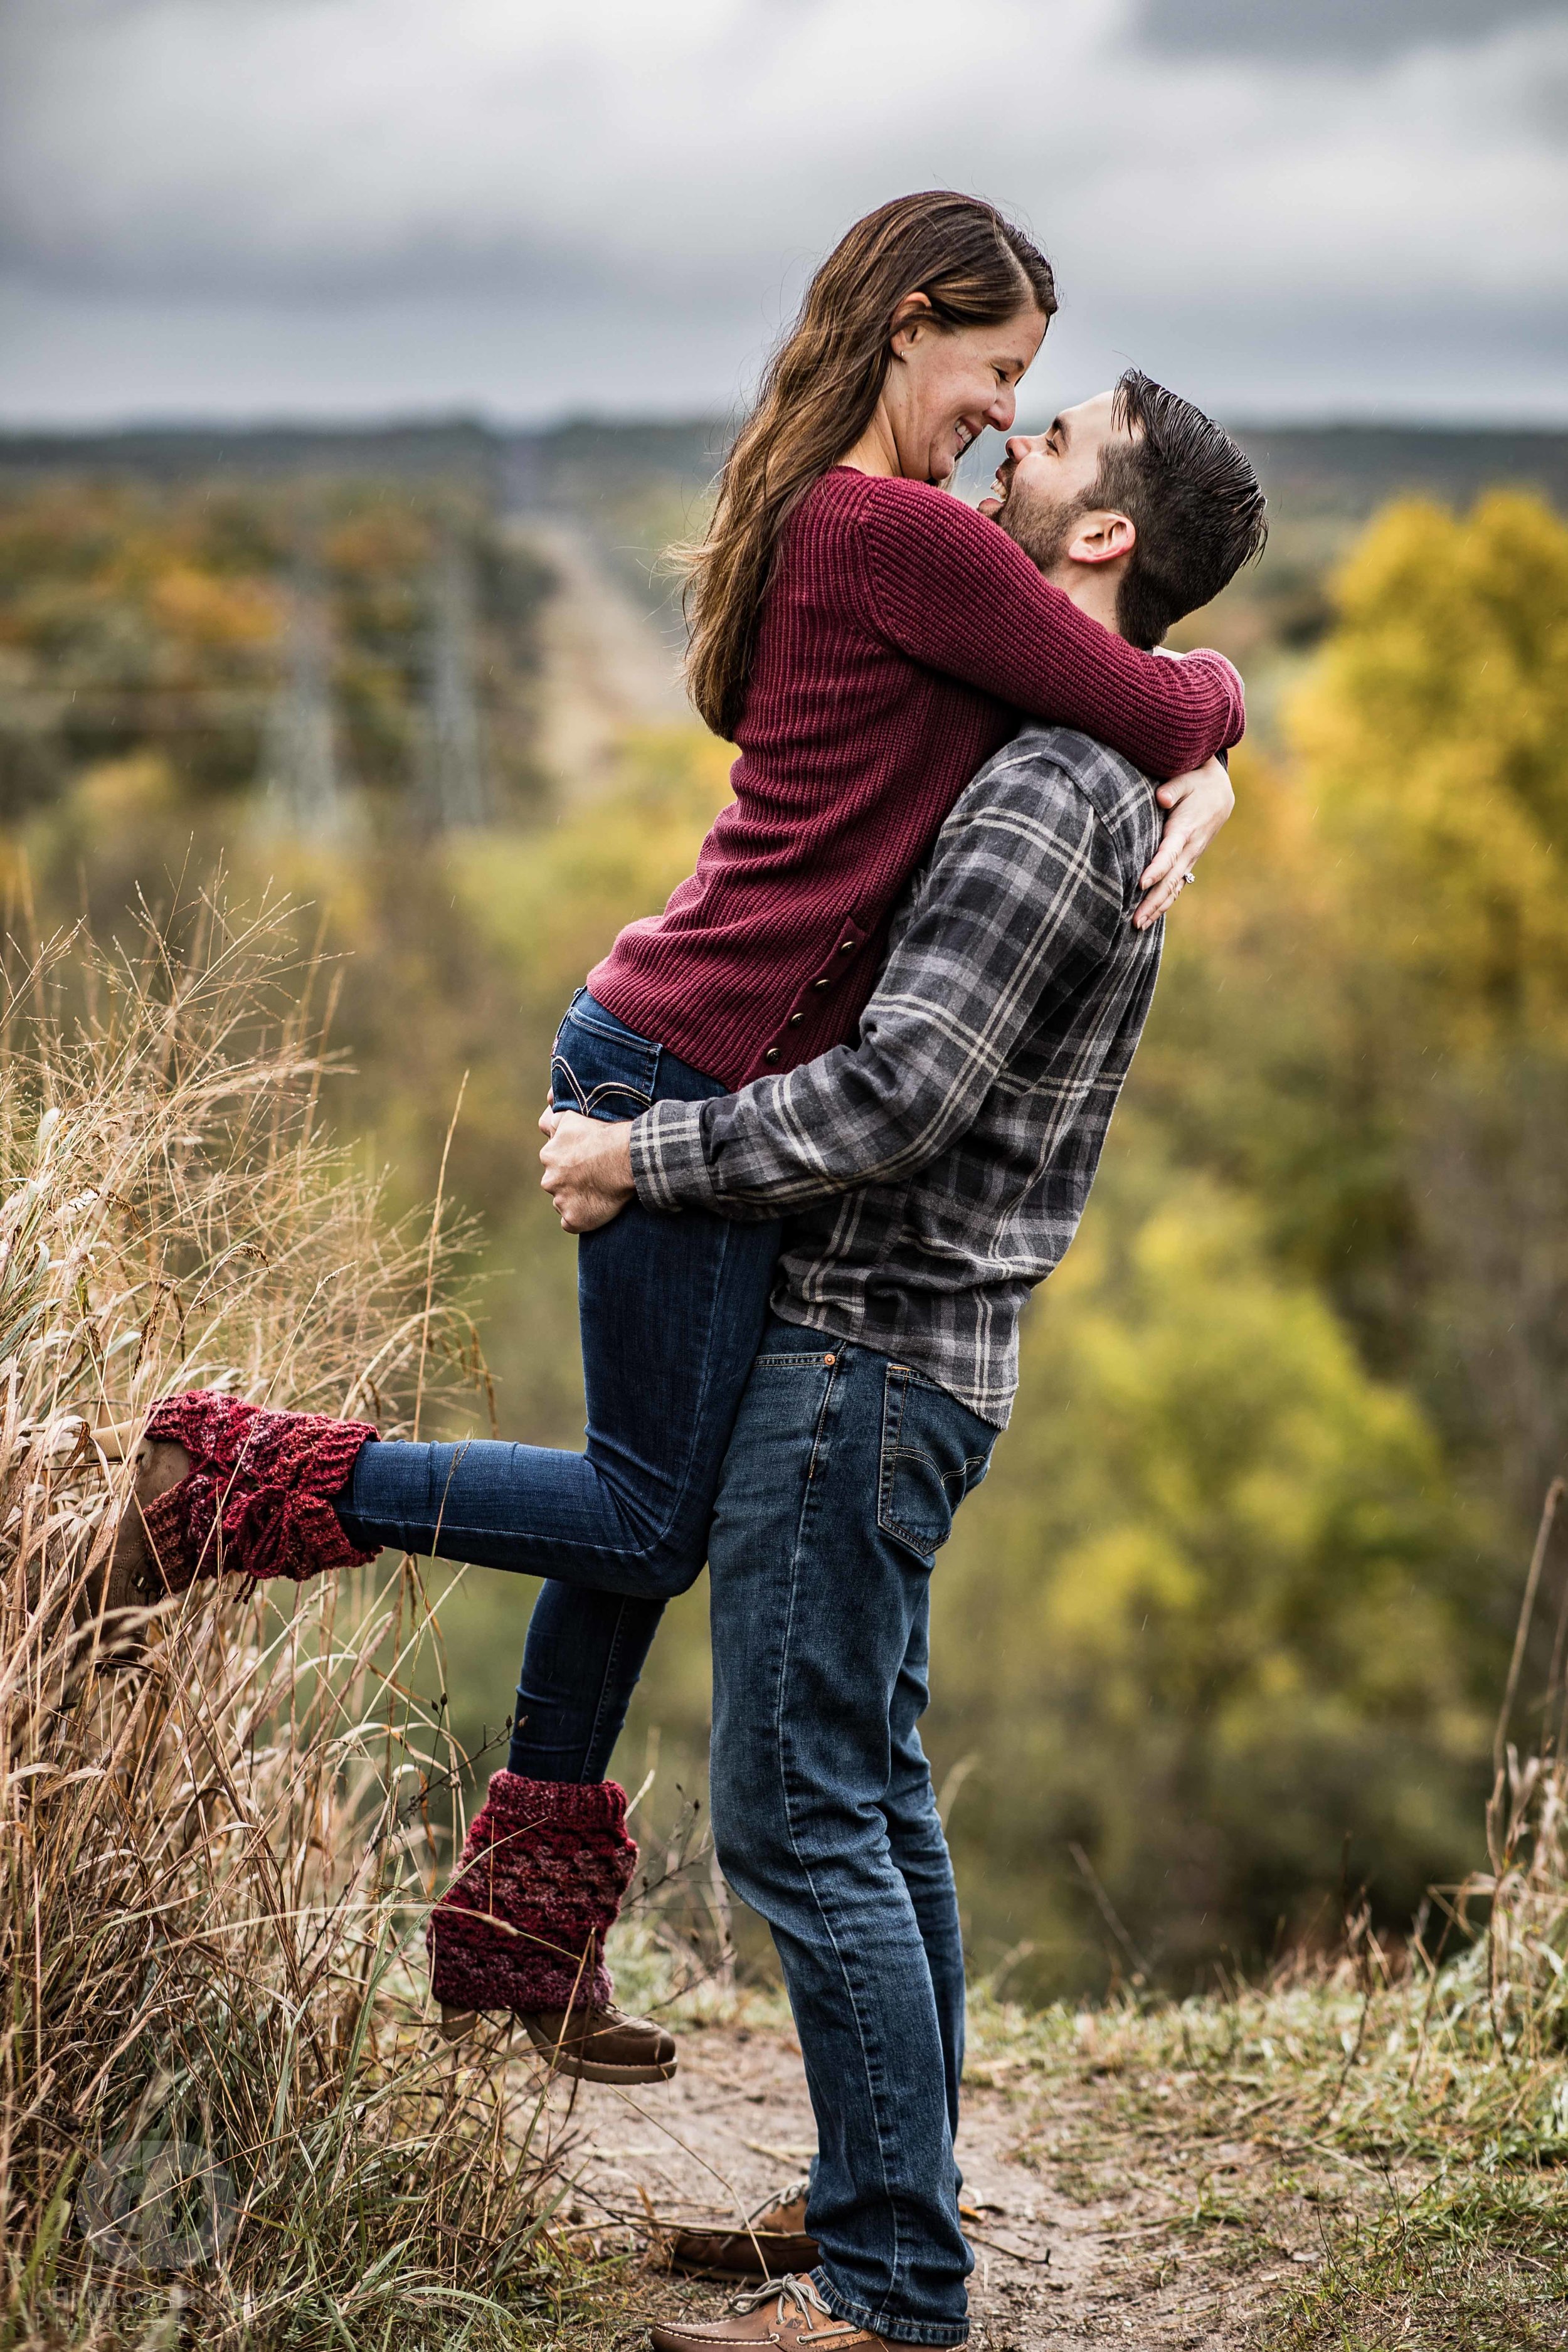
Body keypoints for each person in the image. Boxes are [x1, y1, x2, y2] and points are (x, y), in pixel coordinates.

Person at [107, 194, 1242, 2086]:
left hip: (691, 1057)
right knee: (647, 1510)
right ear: (906, 329)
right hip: (686, 1067)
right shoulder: (894, 533)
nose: (997, 414)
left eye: (1032, 398)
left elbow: (1119, 671)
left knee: (641, 1517)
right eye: (997, 370)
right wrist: (1207, 737)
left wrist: (1191, 739)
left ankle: (513, 1927)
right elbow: (1148, 685)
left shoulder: (874, 523)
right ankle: (234, 1479)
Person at [538, 374, 1268, 2349]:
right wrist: (1217, 725)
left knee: (797, 1813)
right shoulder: (1078, 748)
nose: (1001, 457)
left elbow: (899, 1093)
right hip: (903, 1362)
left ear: (1101, 536)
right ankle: (887, 2190)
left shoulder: (1044, 794)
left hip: (864, 1358)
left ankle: (889, 2293)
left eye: (1051, 445)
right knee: (868, 1786)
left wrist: (642, 1151)